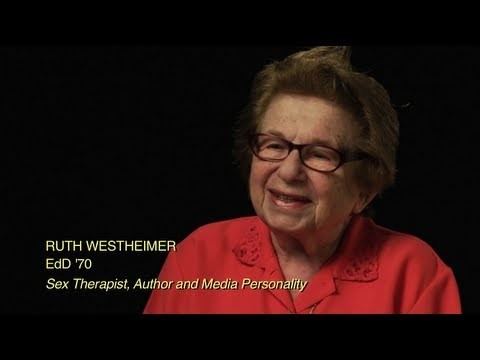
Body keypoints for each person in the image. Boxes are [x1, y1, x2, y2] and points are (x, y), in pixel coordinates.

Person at [144, 46, 461, 314]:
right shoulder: (198, 257)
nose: (289, 171)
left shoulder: (416, 274)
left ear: (365, 189)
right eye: (274, 146)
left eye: (320, 154)